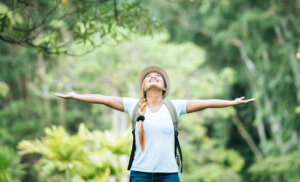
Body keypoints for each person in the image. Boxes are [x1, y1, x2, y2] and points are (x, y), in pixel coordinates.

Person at [55, 65, 255, 182]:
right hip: (139, 174)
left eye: (157, 77)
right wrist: (76, 96)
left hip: (168, 175)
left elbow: (206, 103)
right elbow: (102, 98)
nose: (153, 77)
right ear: (143, 86)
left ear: (164, 87)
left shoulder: (174, 108)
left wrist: (232, 102)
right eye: (149, 77)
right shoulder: (132, 105)